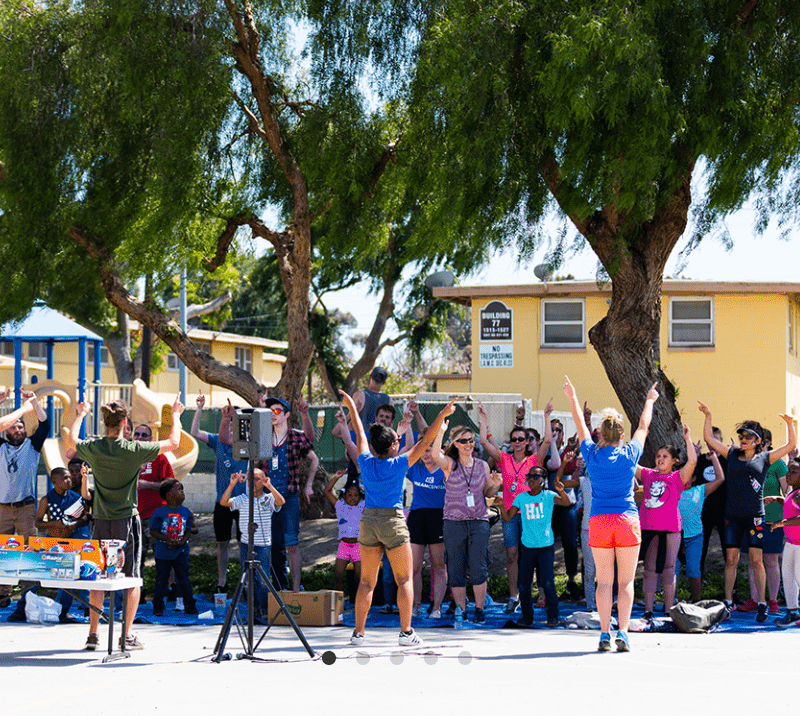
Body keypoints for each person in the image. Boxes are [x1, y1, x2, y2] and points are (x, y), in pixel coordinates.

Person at [65, 395, 184, 651]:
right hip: (126, 520)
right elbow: (174, 442)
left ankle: (93, 634)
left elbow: (71, 440)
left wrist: (81, 413)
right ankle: (126, 635)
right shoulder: (133, 449)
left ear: (104, 421)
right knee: (131, 578)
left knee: (97, 576)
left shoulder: (95, 447)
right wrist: (175, 415)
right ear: (124, 422)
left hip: (100, 520)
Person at [340, 389, 456, 647]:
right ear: (394, 446)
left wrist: (352, 407)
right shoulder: (399, 463)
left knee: (366, 582)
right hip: (392, 521)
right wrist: (442, 414)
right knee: (404, 579)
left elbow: (359, 433)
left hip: (368, 522)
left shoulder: (365, 461)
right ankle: (406, 633)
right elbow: (426, 441)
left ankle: (358, 633)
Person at [564, 375, 658, 653]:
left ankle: (605, 633)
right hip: (627, 519)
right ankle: (623, 633)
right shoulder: (630, 453)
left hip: (599, 522)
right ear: (621, 435)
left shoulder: (591, 454)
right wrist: (649, 400)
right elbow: (643, 426)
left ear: (601, 434)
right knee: (625, 582)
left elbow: (580, 424)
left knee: (603, 581)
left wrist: (572, 396)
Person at [698, 402, 796, 621]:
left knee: (756, 560)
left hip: (755, 518)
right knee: (731, 559)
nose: (743, 439)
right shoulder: (731, 454)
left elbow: (790, 445)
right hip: (732, 517)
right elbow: (709, 438)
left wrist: (790, 424)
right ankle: (728, 602)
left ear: (758, 441)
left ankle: (762, 603)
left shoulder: (765, 458)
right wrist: (708, 415)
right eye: (741, 435)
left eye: (748, 436)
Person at [478, 399, 554, 613]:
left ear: (528, 441)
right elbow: (483, 441)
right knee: (512, 555)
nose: (518, 442)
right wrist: (483, 418)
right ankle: (514, 597)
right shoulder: (503, 459)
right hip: (510, 515)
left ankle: (536, 592)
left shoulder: (534, 460)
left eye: (522, 439)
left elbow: (548, 440)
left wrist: (547, 416)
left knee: (534, 554)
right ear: (511, 442)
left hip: (531, 514)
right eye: (514, 439)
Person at [431, 421, 502, 625]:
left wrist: (495, 486)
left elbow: (487, 492)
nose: (469, 444)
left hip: (478, 521)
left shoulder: (482, 465)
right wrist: (440, 432)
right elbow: (435, 455)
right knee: (456, 568)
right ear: (455, 444)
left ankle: (479, 609)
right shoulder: (450, 464)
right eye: (463, 441)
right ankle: (461, 609)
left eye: (471, 440)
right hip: (454, 523)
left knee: (479, 567)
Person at [252, 396, 319, 592]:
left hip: (289, 497)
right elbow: (254, 463)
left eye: (277, 411)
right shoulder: (264, 437)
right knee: (271, 545)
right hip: (267, 498)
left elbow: (314, 458)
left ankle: (296, 590)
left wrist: (309, 485)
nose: (273, 415)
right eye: (270, 411)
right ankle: (277, 589)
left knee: (292, 544)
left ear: (287, 414)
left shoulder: (296, 436)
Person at [497, 464, 572, 627]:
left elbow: (566, 503)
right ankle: (527, 616)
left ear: (543, 480)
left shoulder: (548, 495)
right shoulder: (521, 498)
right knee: (524, 584)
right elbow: (508, 518)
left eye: (535, 476)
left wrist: (561, 491)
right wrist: (501, 505)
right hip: (527, 546)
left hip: (545, 546)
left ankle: (552, 616)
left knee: (548, 582)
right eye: (529, 476)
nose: (531, 479)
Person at [636, 427, 697, 620]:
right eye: (658, 456)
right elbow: (629, 462)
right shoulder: (648, 475)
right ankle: (648, 610)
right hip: (649, 529)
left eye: (665, 456)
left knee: (669, 569)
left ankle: (669, 610)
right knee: (649, 569)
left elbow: (693, 461)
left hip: (671, 530)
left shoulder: (677, 477)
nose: (660, 459)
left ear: (674, 461)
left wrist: (687, 439)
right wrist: (639, 436)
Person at [190, 391, 247, 594]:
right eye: (230, 420)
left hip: (244, 501)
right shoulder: (218, 440)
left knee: (244, 543)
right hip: (222, 501)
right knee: (222, 543)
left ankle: (245, 581)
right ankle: (222, 582)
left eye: (236, 421)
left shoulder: (249, 444)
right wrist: (199, 408)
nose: (232, 424)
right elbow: (195, 432)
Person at [0, 389, 50, 607]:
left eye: (20, 426)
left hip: (26, 507)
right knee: (3, 551)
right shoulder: (1, 447)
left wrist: (34, 403)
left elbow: (45, 425)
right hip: (3, 508)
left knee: (30, 551)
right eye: (13, 426)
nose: (18, 429)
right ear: (6, 430)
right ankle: (3, 595)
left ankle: (28, 597)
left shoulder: (32, 445)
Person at [221, 468, 285, 617]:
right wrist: (232, 484)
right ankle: (253, 608)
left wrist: (269, 486)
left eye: (256, 479)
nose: (253, 482)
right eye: (250, 479)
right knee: (248, 578)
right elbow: (224, 502)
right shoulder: (243, 499)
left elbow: (281, 502)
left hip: (263, 545)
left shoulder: (268, 498)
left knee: (263, 578)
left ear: (264, 480)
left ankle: (264, 608)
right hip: (246, 543)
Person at [677, 444, 725, 602]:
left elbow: (720, 479)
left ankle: (696, 602)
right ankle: (670, 602)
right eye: (682, 474)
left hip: (694, 537)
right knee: (672, 569)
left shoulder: (699, 491)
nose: (685, 477)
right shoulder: (673, 490)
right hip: (675, 536)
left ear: (694, 478)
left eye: (688, 475)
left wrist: (715, 459)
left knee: (693, 569)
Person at [133, 422, 175, 600]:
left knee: (163, 555)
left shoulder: (159, 457)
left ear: (151, 439)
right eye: (137, 434)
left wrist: (147, 485)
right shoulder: (127, 456)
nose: (140, 437)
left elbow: (171, 484)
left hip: (156, 515)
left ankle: (169, 590)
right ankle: (138, 592)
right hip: (133, 515)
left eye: (144, 435)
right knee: (136, 557)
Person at [406, 445, 447, 618]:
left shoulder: (445, 468)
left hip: (438, 517)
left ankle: (437, 607)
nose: (425, 454)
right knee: (414, 566)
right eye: (422, 450)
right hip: (417, 517)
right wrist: (405, 430)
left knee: (439, 566)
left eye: (429, 450)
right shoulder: (415, 468)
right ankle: (416, 605)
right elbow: (404, 452)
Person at [149, 479, 198, 617]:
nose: (182, 492)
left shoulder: (187, 512)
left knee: (183, 578)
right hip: (163, 552)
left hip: (181, 551)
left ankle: (189, 606)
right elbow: (153, 531)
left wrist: (182, 541)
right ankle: (158, 607)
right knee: (162, 579)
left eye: (182, 489)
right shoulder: (159, 512)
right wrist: (167, 539)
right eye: (178, 489)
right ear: (169, 494)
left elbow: (189, 529)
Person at [766, 459, 800, 626]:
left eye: (794, 472)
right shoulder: (793, 493)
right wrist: (777, 499)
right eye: (788, 472)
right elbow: (790, 504)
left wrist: (782, 523)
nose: (788, 475)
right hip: (791, 543)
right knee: (788, 578)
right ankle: (793, 612)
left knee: (798, 577)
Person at [323, 470, 364, 597]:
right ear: (344, 496)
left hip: (358, 546)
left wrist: (365, 483)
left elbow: (374, 494)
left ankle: (359, 601)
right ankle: (339, 602)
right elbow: (327, 491)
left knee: (359, 576)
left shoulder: (362, 506)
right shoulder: (340, 506)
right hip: (344, 546)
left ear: (360, 497)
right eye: (349, 495)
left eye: (356, 495)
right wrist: (335, 478)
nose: (352, 498)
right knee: (338, 575)